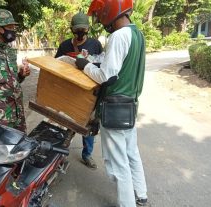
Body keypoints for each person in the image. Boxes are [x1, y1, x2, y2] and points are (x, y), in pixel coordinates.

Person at [75, 0, 148, 206]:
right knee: (132, 152)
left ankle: (127, 204)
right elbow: (116, 63)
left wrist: (85, 65)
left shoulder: (118, 36)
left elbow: (106, 75)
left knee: (118, 163)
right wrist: (93, 59)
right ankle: (141, 194)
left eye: (100, 14)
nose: (100, 19)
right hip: (130, 106)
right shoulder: (137, 35)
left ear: (109, 11)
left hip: (114, 108)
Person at [55, 11, 103, 169]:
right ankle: (60, 155)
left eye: (83, 29)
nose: (80, 33)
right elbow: (56, 67)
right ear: (71, 29)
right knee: (65, 125)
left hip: (89, 93)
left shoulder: (95, 45)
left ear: (88, 29)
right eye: (77, 30)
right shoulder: (64, 46)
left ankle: (87, 155)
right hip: (69, 92)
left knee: (87, 127)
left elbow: (103, 69)